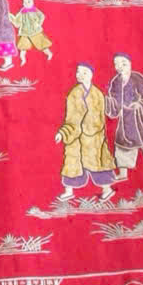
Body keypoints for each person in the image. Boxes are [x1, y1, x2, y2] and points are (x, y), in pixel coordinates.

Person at [54, 62, 117, 202]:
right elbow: (70, 117)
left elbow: (99, 117)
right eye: (78, 72)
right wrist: (63, 133)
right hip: (76, 135)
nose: (80, 75)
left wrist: (92, 130)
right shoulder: (74, 93)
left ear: (91, 75)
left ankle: (107, 189)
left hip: (94, 136)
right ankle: (68, 191)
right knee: (72, 163)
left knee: (99, 163)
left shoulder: (97, 94)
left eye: (84, 72)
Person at [105, 53, 143, 183]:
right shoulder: (115, 82)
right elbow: (114, 100)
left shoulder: (137, 78)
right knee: (123, 145)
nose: (120, 66)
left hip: (141, 118)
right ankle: (123, 173)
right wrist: (112, 106)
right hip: (126, 120)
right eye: (117, 64)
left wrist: (141, 104)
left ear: (130, 64)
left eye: (124, 63)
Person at [8, 0, 54, 65]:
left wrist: (38, 23)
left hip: (35, 32)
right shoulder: (22, 12)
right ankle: (23, 60)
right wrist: (10, 17)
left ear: (33, 2)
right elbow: (17, 23)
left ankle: (49, 54)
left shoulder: (35, 10)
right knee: (22, 48)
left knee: (43, 45)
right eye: (25, 2)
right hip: (25, 33)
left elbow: (42, 16)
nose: (26, 3)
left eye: (29, 1)